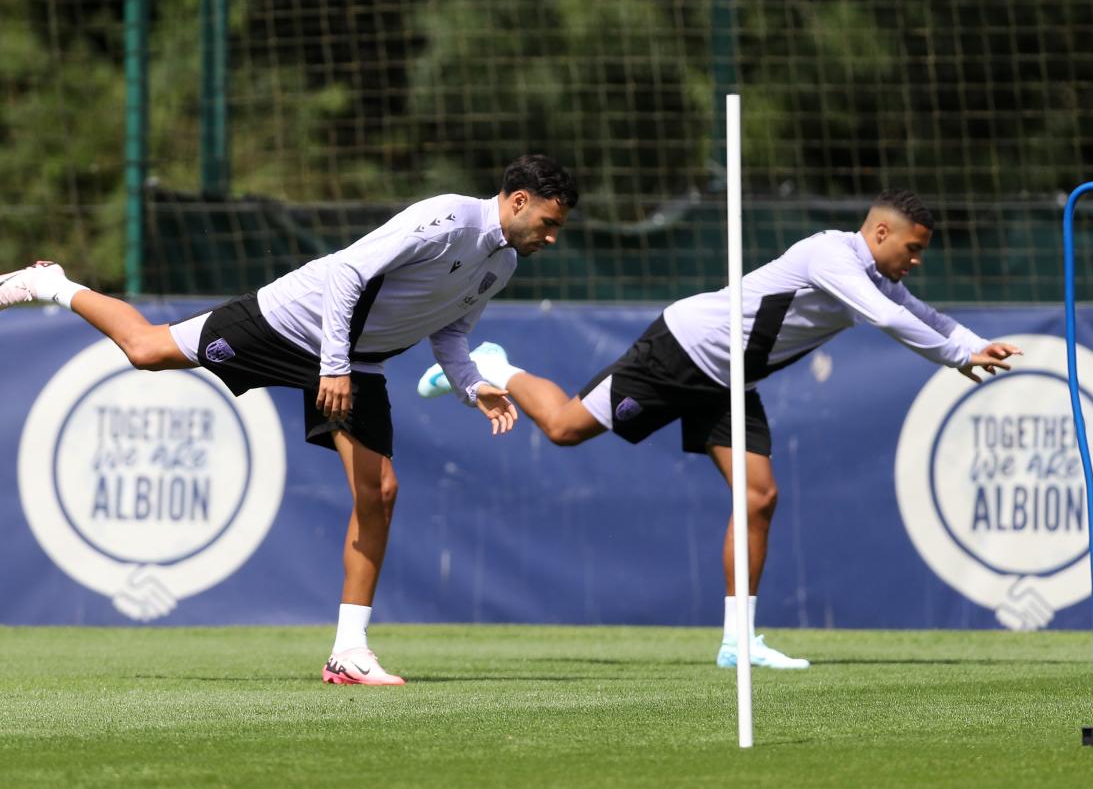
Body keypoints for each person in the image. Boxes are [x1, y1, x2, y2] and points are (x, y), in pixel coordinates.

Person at [0, 154, 578, 685]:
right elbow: (348, 273)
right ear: (518, 200)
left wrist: (474, 384)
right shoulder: (447, 218)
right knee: (148, 351)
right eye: (548, 222)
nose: (551, 237)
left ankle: (348, 652)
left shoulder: (500, 266)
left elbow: (451, 333)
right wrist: (332, 366)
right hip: (290, 321)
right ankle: (50, 283)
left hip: (359, 362)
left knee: (379, 492)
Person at [417, 189, 1021, 669]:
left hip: (731, 381)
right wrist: (953, 357)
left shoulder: (880, 278)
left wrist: (971, 346)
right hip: (683, 349)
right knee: (565, 428)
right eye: (912, 248)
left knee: (760, 496)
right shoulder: (831, 256)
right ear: (880, 232)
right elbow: (889, 317)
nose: (915, 261)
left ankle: (739, 642)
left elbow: (916, 310)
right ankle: (496, 366)